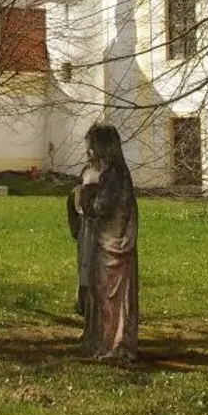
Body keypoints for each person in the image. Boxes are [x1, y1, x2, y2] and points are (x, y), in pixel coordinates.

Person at [67, 122, 139, 361]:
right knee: (105, 293)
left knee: (112, 295)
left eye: (92, 147)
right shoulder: (117, 171)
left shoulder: (112, 173)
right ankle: (104, 339)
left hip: (113, 244)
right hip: (110, 241)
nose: (89, 153)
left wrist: (86, 197)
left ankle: (115, 343)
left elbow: (103, 206)